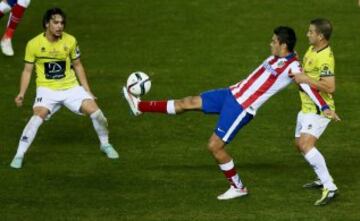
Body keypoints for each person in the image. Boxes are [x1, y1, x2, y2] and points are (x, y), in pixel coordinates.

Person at [123, 26, 339, 201]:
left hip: (241, 108)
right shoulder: (279, 56)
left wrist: (324, 107)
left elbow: (308, 87)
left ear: (283, 45)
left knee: (214, 146)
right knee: (187, 102)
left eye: (274, 41)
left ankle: (238, 187)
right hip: (230, 93)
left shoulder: (293, 67)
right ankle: (140, 107)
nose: (270, 43)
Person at [10, 7, 119, 169]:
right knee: (37, 116)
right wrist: (21, 93)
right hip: (47, 90)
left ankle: (105, 144)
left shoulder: (70, 41)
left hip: (71, 88)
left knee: (97, 113)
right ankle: (19, 154)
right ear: (47, 24)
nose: (60, 26)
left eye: (62, 23)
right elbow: (27, 71)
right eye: (56, 22)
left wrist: (87, 90)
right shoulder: (33, 44)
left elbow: (78, 65)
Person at [291, 18, 339, 206]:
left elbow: (330, 87)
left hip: (319, 109)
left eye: (311, 32)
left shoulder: (325, 57)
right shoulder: (312, 49)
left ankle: (330, 187)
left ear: (321, 36)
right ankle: (321, 177)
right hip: (305, 107)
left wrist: (306, 79)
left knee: (305, 144)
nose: (307, 34)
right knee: (299, 145)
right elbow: (304, 72)